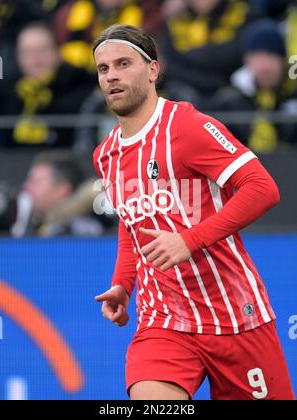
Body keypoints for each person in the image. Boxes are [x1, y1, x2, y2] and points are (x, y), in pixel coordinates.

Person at [93, 24, 295, 400]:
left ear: (153, 70)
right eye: (104, 69)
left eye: (123, 64)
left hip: (236, 316)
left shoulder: (187, 126)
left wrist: (190, 240)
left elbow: (262, 188)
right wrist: (123, 282)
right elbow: (131, 220)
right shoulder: (105, 154)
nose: (112, 76)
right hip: (163, 321)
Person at [0, 21, 95, 147]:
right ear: (18, 57)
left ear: (58, 52)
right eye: (27, 52)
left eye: (43, 50)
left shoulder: (80, 88)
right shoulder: (5, 95)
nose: (36, 59)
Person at [210, 20, 297, 152]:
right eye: (257, 57)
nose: (264, 66)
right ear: (247, 60)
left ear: (282, 60)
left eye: (271, 56)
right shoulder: (230, 101)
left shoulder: (292, 91)